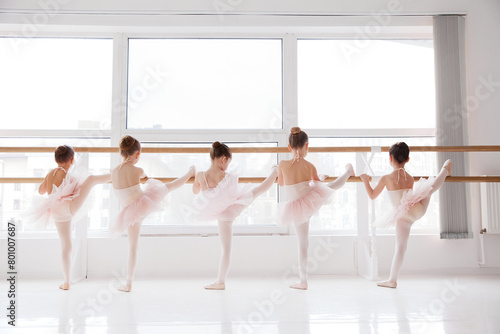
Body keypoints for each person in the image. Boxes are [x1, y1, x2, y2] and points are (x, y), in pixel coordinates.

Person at [360, 142, 452, 288]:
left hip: (403, 216)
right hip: (418, 210)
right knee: (428, 189)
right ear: (408, 160)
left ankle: (392, 280)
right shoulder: (410, 178)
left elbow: (372, 195)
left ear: (390, 158)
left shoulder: (386, 178)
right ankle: (445, 171)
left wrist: (365, 180)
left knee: (400, 248)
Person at [111, 135, 195, 292]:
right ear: (137, 155)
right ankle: (190, 172)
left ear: (121, 152)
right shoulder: (138, 169)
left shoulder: (113, 172)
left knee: (133, 247)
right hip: (142, 205)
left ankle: (128, 284)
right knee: (169, 187)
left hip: (128, 212)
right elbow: (144, 178)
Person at [192, 141, 278, 290]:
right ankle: (275, 171)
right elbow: (232, 194)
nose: (228, 167)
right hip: (232, 210)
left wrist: (194, 178)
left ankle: (220, 281)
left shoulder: (200, 175)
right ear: (224, 159)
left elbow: (195, 191)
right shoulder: (227, 175)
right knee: (259, 190)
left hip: (220, 214)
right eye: (228, 163)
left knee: (225, 250)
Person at [278, 127, 354, 290]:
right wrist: (319, 178)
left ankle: (303, 280)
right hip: (309, 202)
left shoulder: (282, 164)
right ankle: (348, 171)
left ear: (289, 147)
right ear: (307, 146)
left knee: (302, 244)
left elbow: (282, 183)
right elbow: (316, 185)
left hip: (296, 207)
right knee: (331, 186)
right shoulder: (310, 165)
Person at [27, 145, 110, 290]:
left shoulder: (51, 173)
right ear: (72, 160)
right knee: (90, 180)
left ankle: (66, 282)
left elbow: (41, 191)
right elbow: (72, 192)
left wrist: (49, 181)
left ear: (55, 159)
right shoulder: (66, 174)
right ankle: (115, 175)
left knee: (66, 246)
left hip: (56, 212)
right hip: (67, 207)